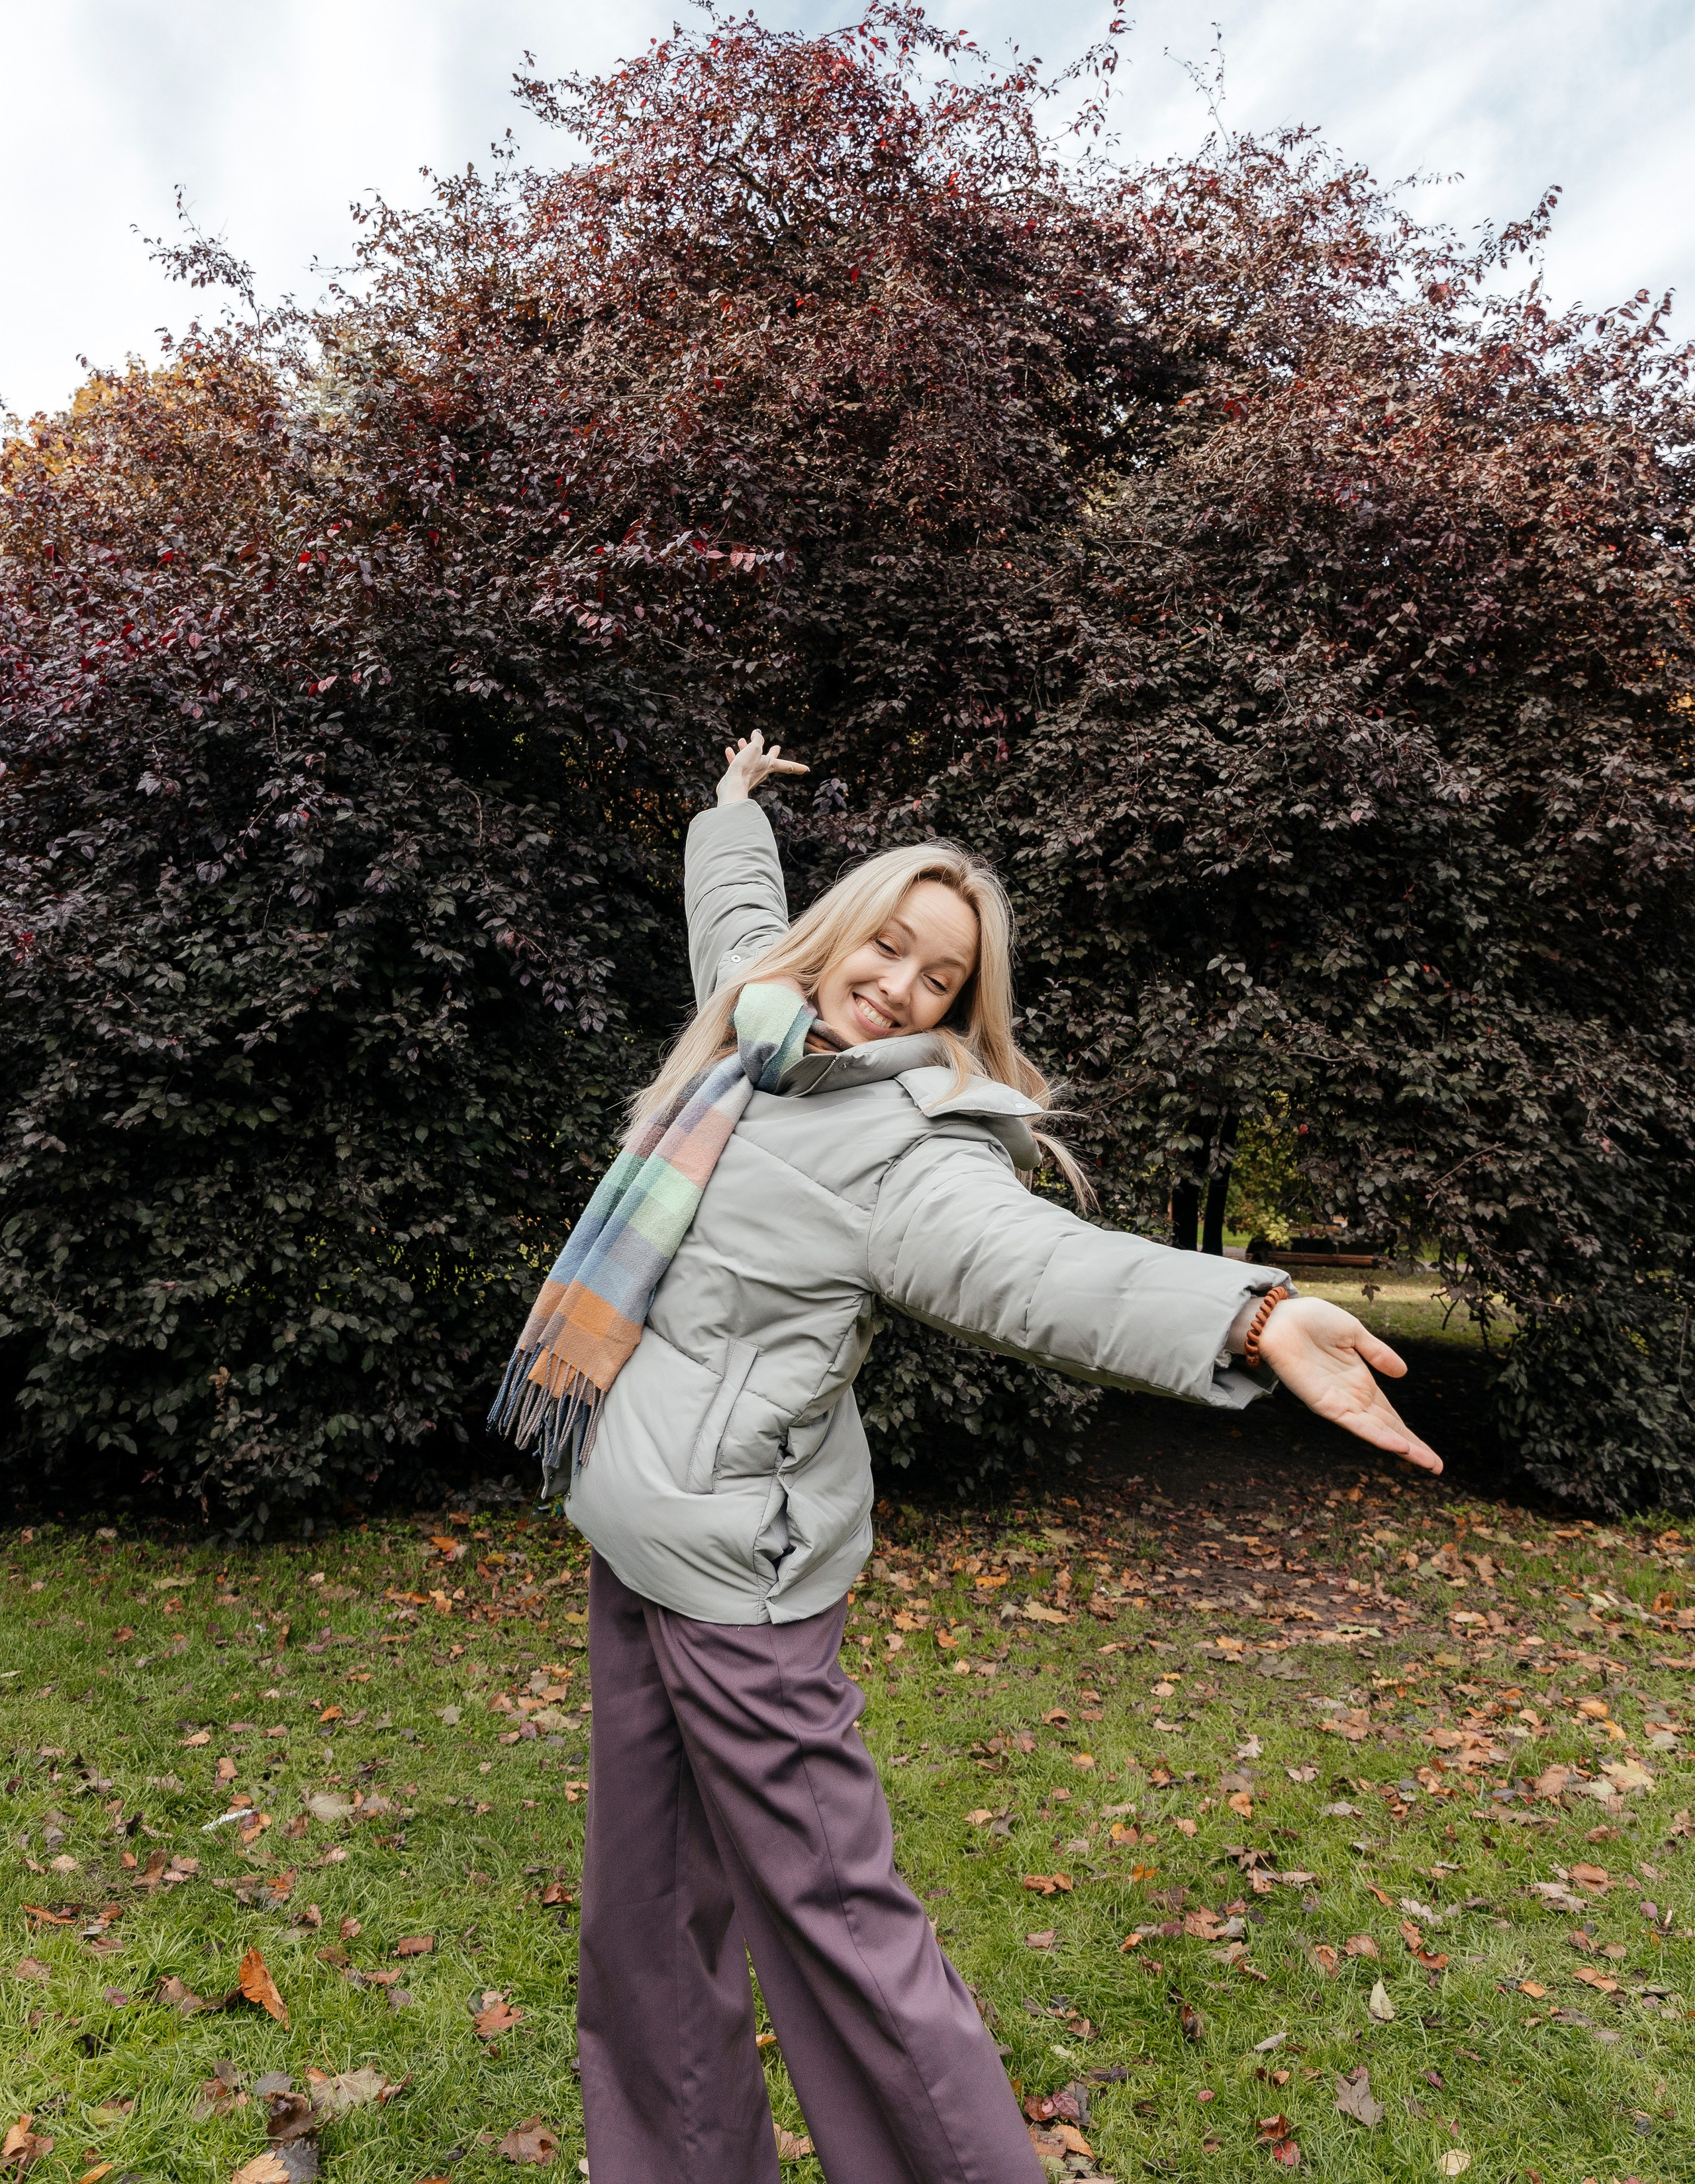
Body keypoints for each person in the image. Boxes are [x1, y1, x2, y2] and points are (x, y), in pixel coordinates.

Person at [499, 731, 1441, 2184]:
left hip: (743, 1590)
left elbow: (1038, 1266)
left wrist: (1247, 1314)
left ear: (957, 1008)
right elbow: (736, 913)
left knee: (842, 1937)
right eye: (888, 947)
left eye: (939, 979)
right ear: (841, 934)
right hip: (638, 1541)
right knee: (643, 1928)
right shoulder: (753, 1028)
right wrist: (727, 809)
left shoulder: (905, 1144)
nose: (898, 987)